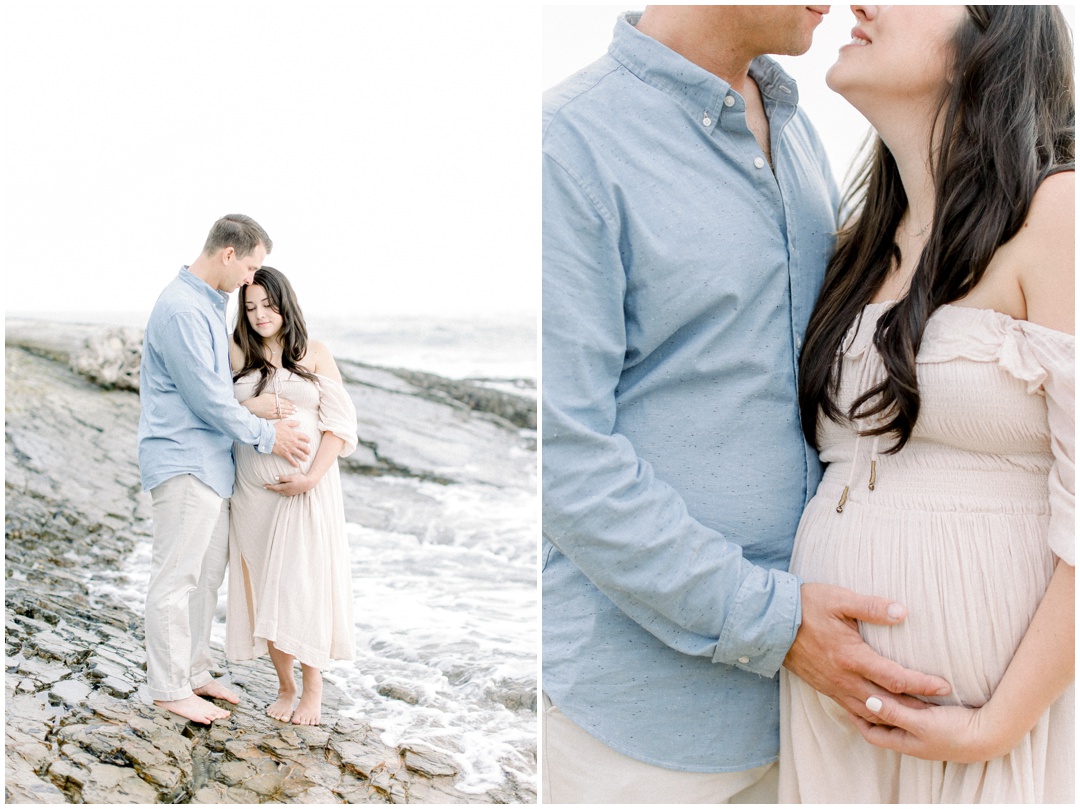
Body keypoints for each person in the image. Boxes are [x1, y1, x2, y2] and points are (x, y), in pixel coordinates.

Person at [542, 6, 951, 803]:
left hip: (814, 719)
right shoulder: (570, 143)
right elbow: (565, 457)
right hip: (642, 727)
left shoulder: (797, 132)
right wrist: (780, 624)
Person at [781, 5, 1074, 803]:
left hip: (986, 726)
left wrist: (994, 725)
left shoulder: (1058, 215)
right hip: (832, 713)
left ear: (991, 40)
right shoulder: (854, 248)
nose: (860, 4)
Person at [138, 214, 311, 725]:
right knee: (175, 578)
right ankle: (169, 688)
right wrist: (269, 434)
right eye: (251, 266)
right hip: (185, 460)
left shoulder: (207, 306)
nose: (250, 280)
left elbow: (218, 393)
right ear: (229, 254)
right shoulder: (182, 310)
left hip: (212, 466)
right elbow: (209, 400)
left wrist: (253, 412)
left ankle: (193, 671)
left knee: (205, 578)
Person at [224, 266, 357, 726]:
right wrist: (248, 404)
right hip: (253, 495)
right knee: (265, 590)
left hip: (306, 494)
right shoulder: (237, 352)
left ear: (285, 303)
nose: (260, 315)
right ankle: (285, 685)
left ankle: (313, 686)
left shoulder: (314, 353)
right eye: (250, 307)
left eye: (268, 304)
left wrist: (310, 478)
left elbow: (340, 426)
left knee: (302, 588)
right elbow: (213, 408)